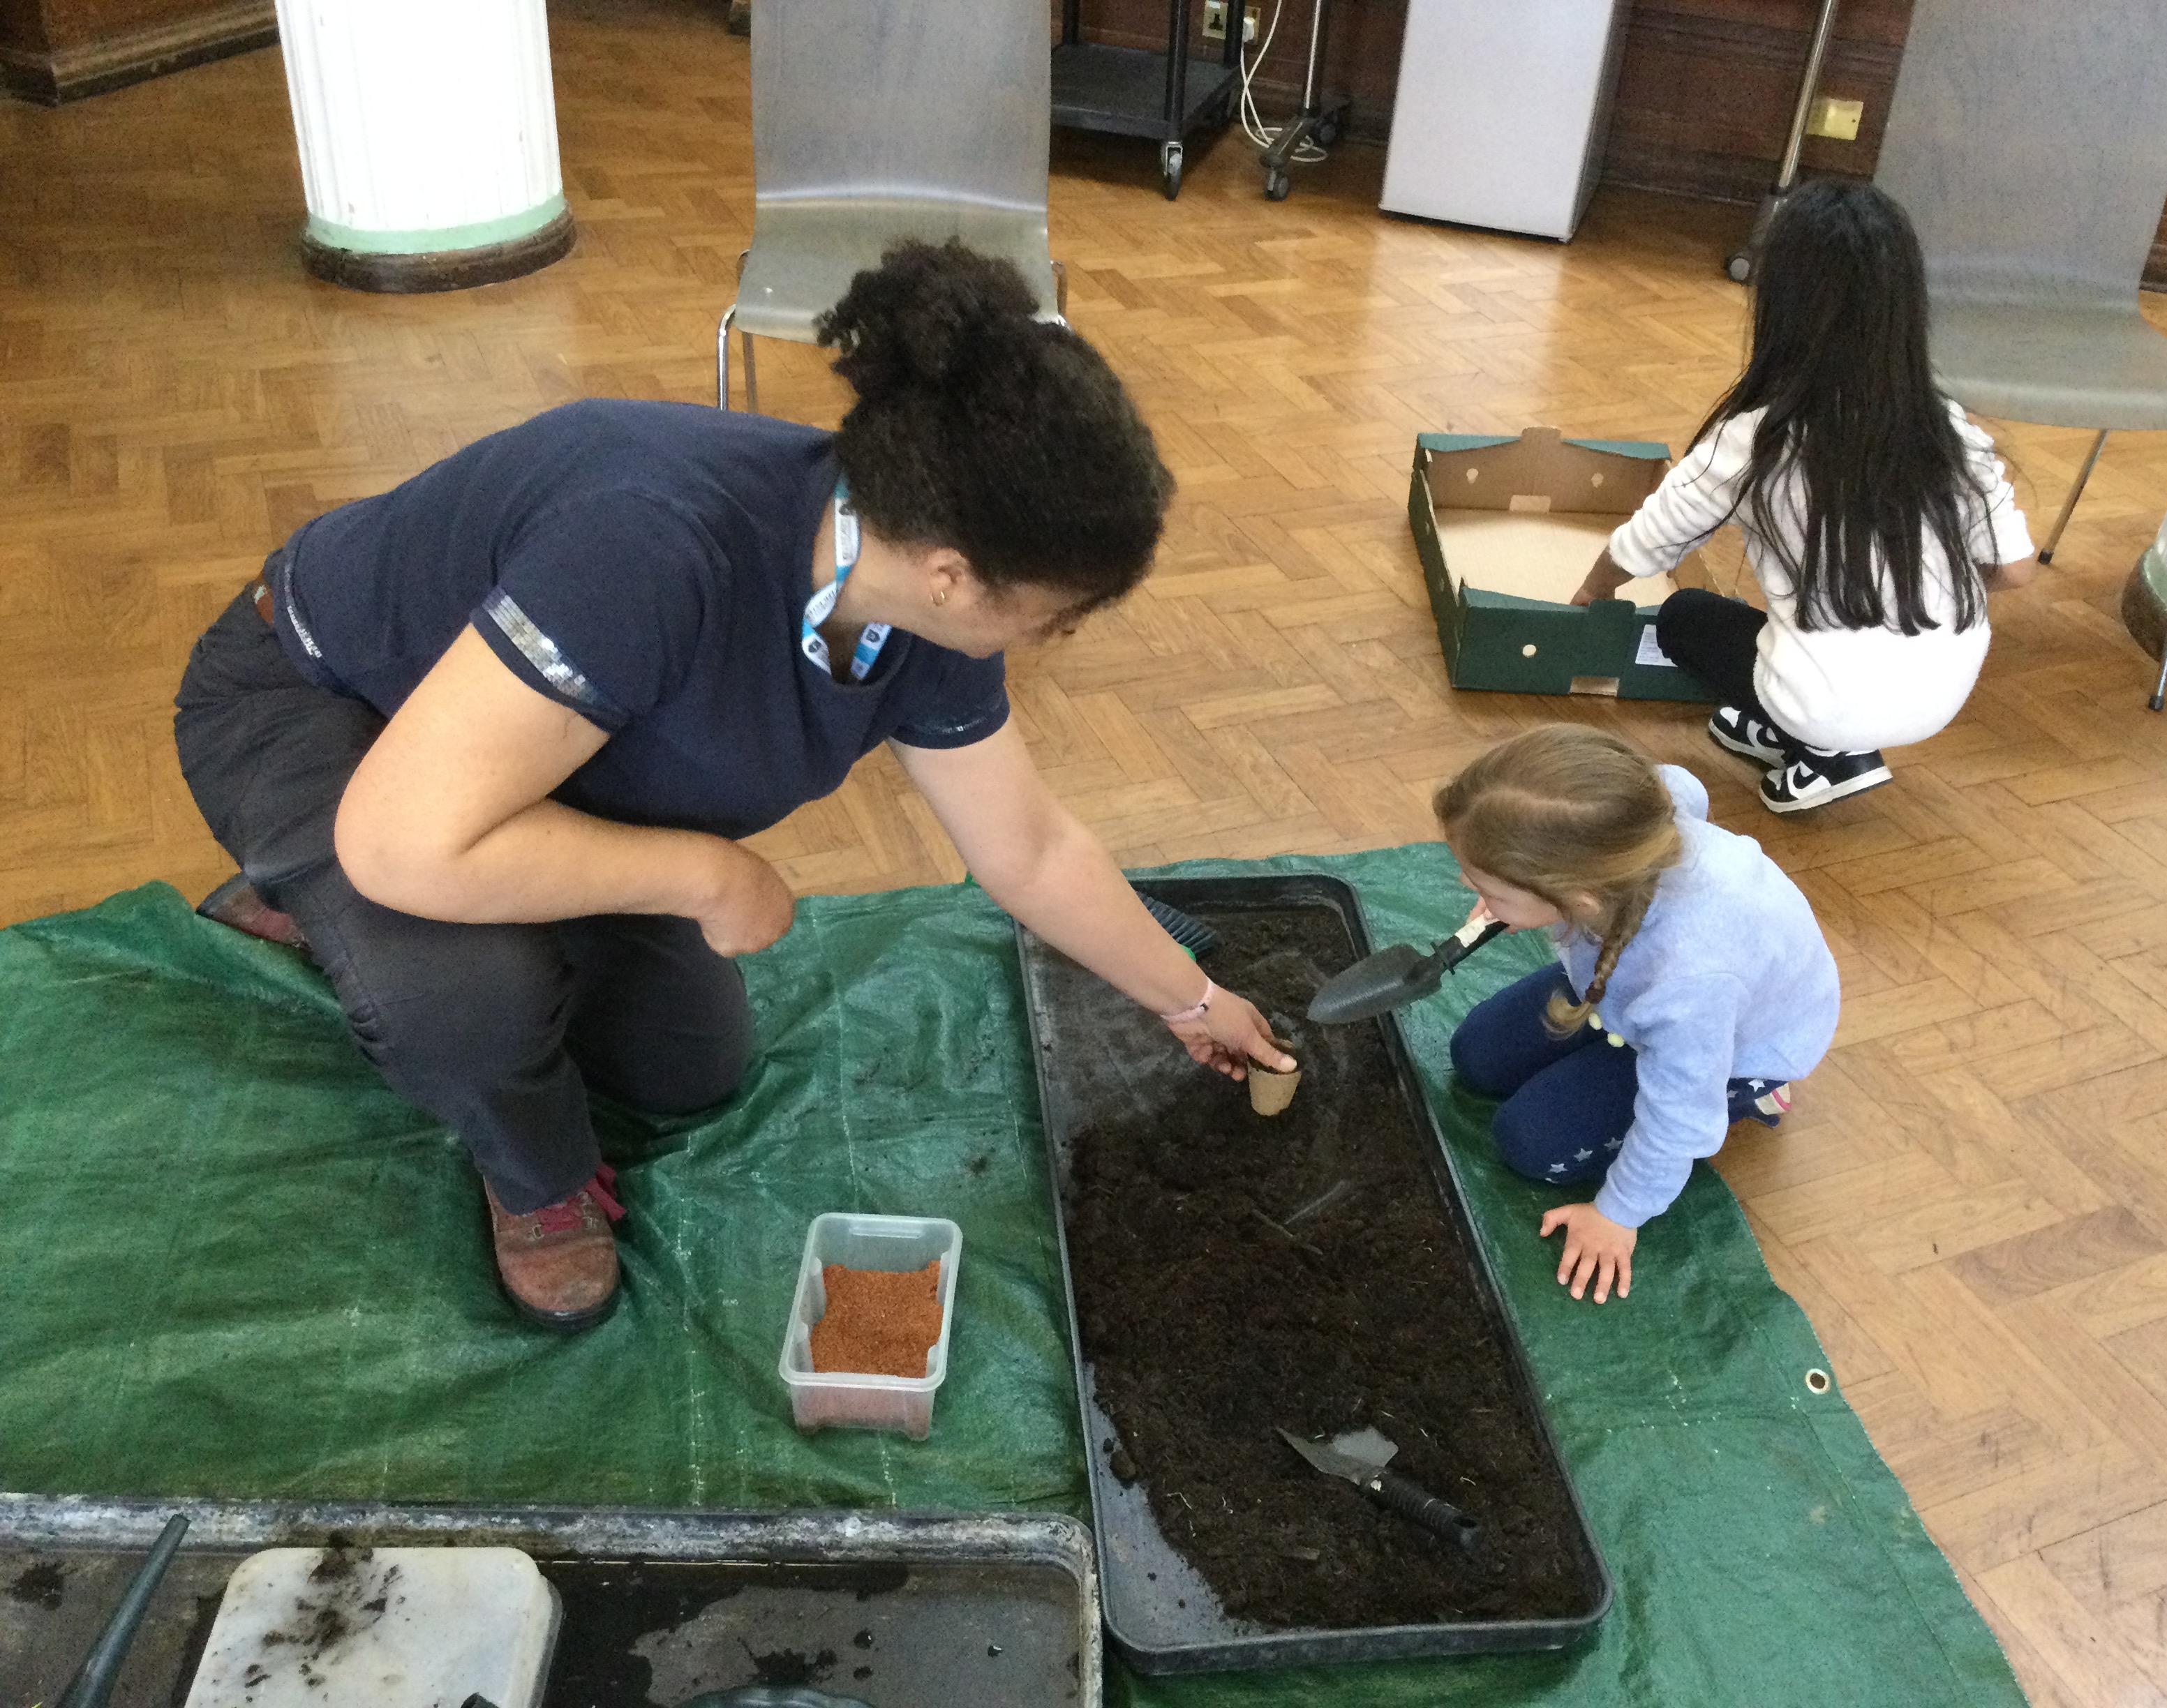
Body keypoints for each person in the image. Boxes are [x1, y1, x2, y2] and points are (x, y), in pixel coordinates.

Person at [174, 240, 1293, 1331]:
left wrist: (1190, 1000)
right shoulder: (652, 546)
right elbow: (401, 841)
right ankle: (525, 1166)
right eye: (1059, 613)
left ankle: (393, 914)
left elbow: (1030, 848)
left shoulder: (921, 600)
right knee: (470, 1000)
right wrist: (705, 875)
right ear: (953, 575)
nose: (1060, 636)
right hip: (326, 708)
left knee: (690, 1067)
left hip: (545, 775)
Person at [1570, 179, 2037, 815]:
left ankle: (1826, 754)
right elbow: (2015, 569)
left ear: (1781, 303)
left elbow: (1648, 542)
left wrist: (1591, 593)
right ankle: (1805, 736)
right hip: (1943, 696)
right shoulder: (1948, 428)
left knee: (1686, 619)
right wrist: (1919, 589)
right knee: (1795, 632)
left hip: (1824, 703)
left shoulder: (1756, 437)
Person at [1434, 725, 1838, 1303]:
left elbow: (1678, 1119)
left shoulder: (1689, 981)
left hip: (1728, 1045)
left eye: (1488, 890)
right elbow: (1684, 785)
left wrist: (1619, 1214)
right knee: (1476, 1056)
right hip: (1628, 985)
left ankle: (1754, 1094)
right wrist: (1509, 898)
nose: (1466, 888)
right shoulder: (1640, 814)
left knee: (1529, 1142)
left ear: (1576, 900)